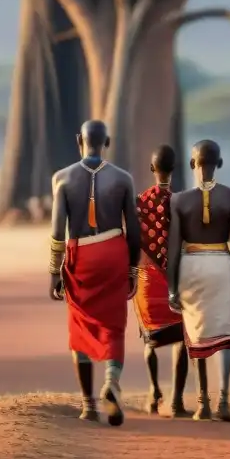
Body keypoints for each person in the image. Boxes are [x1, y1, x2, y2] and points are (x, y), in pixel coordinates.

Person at [49, 120, 139, 426]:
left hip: (81, 256)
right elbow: (135, 231)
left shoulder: (61, 178)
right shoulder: (124, 179)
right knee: (114, 324)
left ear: (79, 141)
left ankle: (88, 405)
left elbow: (57, 232)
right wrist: (133, 270)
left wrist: (54, 273)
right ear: (107, 142)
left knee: (81, 326)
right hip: (114, 252)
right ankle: (111, 382)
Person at [167, 139, 230, 422]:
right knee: (225, 332)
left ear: (192, 164)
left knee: (196, 332)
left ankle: (203, 404)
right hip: (222, 264)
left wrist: (172, 286)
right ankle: (224, 400)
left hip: (191, 265)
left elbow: (174, 246)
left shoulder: (179, 200)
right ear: (219, 164)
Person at [132, 144, 191, 418]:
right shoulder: (181, 202)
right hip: (175, 280)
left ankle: (154, 391)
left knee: (149, 340)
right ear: (174, 170)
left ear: (152, 169)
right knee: (182, 339)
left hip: (146, 280)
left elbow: (133, 243)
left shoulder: (138, 203)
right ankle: (177, 400)